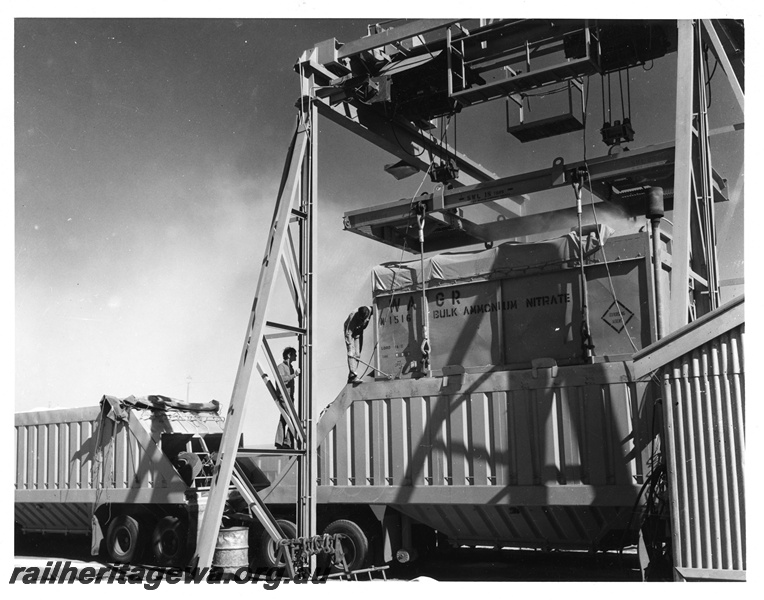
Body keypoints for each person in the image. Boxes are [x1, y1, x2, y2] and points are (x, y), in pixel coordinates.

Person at [275, 346, 300, 449]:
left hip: (289, 397)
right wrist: (294, 375)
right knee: (292, 418)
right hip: (284, 396)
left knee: (284, 418)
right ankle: (287, 442)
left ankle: (279, 442)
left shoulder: (290, 368)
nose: (296, 356)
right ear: (289, 355)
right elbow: (280, 380)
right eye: (295, 354)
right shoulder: (281, 366)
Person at [344, 306, 373, 383]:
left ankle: (352, 375)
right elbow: (348, 333)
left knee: (358, 354)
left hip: (359, 332)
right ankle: (353, 375)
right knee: (351, 353)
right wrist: (350, 348)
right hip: (350, 332)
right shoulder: (353, 316)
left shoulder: (370, 310)